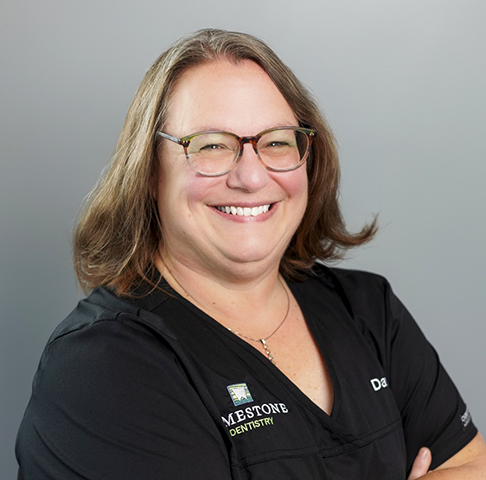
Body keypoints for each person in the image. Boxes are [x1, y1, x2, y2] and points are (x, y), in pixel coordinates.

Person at [15, 28, 486, 479]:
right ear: (151, 174)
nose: (252, 177)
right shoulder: (102, 368)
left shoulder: (369, 311)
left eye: (277, 142)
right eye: (212, 146)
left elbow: (474, 465)